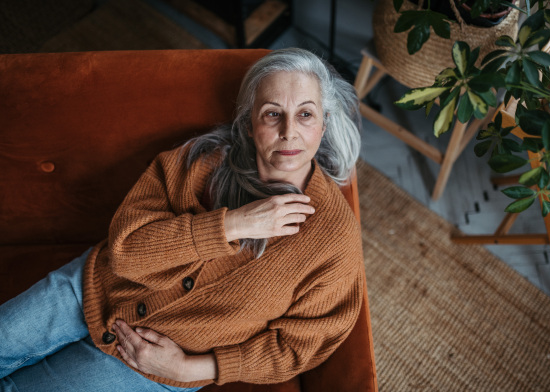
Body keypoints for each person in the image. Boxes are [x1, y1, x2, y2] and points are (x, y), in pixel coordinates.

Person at [0, 47, 363, 391]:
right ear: (250, 123)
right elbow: (125, 252)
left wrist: (189, 368)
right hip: (93, 289)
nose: (288, 131)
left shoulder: (334, 240)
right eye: (272, 113)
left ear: (324, 124)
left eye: (305, 114)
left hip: (149, 367)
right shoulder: (202, 160)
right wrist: (232, 224)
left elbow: (300, 346)